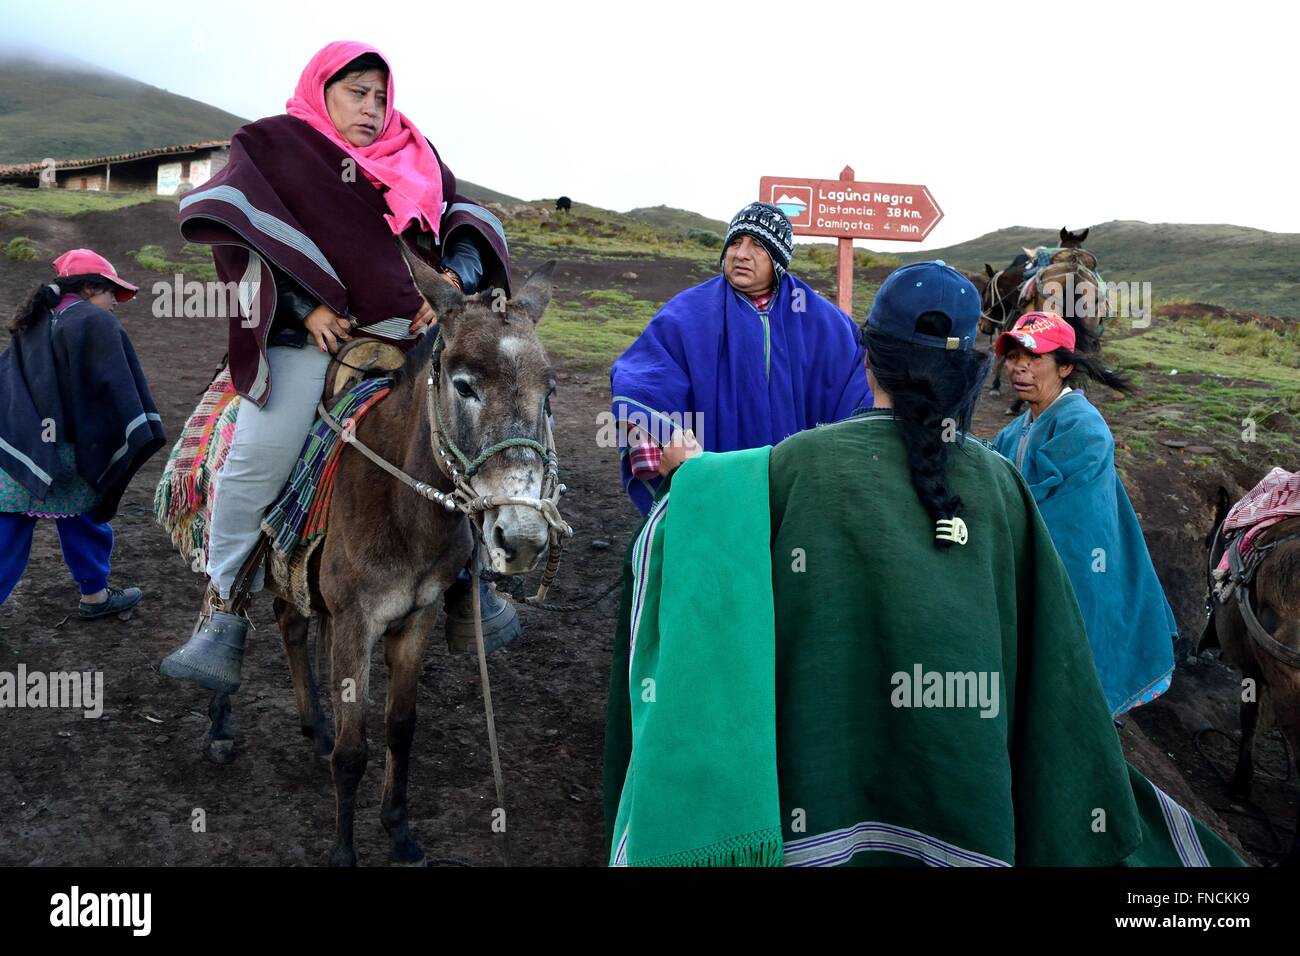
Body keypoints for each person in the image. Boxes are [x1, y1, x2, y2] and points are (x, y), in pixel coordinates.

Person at [601, 262, 1241, 867]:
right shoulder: (998, 484)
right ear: (967, 380)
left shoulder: (792, 465)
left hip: (814, 811)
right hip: (966, 809)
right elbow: (1052, 677)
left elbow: (706, 521)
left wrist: (691, 471)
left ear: (867, 355)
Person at [160, 41, 516, 695]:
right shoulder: (274, 147)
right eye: (357, 92)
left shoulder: (416, 151)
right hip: (315, 337)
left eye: (382, 96)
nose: (373, 108)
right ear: (322, 87)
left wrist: (451, 280)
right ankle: (224, 605)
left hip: (408, 333)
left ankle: (472, 580)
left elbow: (463, 220)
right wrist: (303, 307)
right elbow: (240, 230)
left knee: (475, 422)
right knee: (262, 448)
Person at [609, 201, 872, 514]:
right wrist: (669, 443)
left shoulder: (824, 322)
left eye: (757, 245)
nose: (741, 253)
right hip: (713, 487)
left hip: (802, 493)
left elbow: (859, 391)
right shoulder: (687, 314)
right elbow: (645, 378)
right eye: (735, 242)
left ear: (777, 260)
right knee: (720, 554)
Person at [991, 311, 1176, 717]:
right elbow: (994, 472)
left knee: (1075, 657)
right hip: (1036, 558)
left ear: (1066, 367)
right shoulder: (1020, 425)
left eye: (1034, 357)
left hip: (1076, 565)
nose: (1019, 366)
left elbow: (1052, 508)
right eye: (1013, 356)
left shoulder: (1083, 426)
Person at [0, 249, 165, 615]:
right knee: (86, 517)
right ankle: (94, 595)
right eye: (111, 294)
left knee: (8, 530)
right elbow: (115, 387)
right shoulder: (93, 320)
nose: (113, 304)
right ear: (91, 288)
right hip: (67, 448)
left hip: (21, 444)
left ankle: (95, 596)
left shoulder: (36, 317)